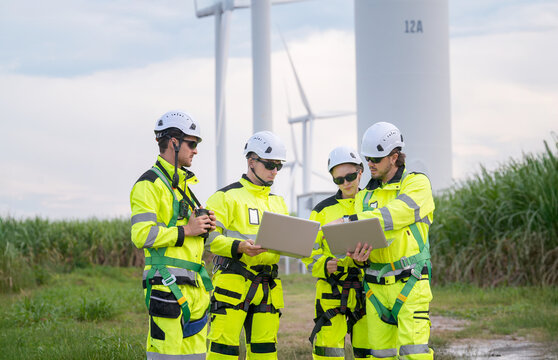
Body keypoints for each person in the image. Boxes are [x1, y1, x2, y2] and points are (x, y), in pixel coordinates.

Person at [343, 122, 435, 360]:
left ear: (394, 157)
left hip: (411, 283)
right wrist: (358, 258)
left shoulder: (416, 183)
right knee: (380, 356)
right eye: (367, 158)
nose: (370, 164)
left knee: (415, 355)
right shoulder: (364, 197)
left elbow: (397, 214)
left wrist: (349, 220)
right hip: (374, 288)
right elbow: (361, 238)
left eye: (376, 158)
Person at [130, 110, 216, 360]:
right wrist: (187, 230)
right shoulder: (149, 185)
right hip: (167, 290)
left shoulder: (184, 187)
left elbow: (189, 233)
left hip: (196, 290)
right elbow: (141, 234)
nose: (196, 150)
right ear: (174, 142)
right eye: (192, 143)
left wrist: (204, 226)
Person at [205, 131, 289, 360]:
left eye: (279, 167)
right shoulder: (224, 197)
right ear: (251, 161)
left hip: (267, 288)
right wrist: (239, 246)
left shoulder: (278, 202)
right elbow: (209, 239)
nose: (275, 171)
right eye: (270, 165)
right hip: (232, 284)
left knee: (265, 353)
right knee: (224, 351)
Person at [303, 146, 372, 359]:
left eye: (350, 176)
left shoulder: (373, 203)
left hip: (368, 290)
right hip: (331, 290)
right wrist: (323, 265)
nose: (346, 183)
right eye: (338, 180)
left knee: (369, 350)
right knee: (328, 352)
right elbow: (308, 251)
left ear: (361, 172)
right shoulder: (321, 210)